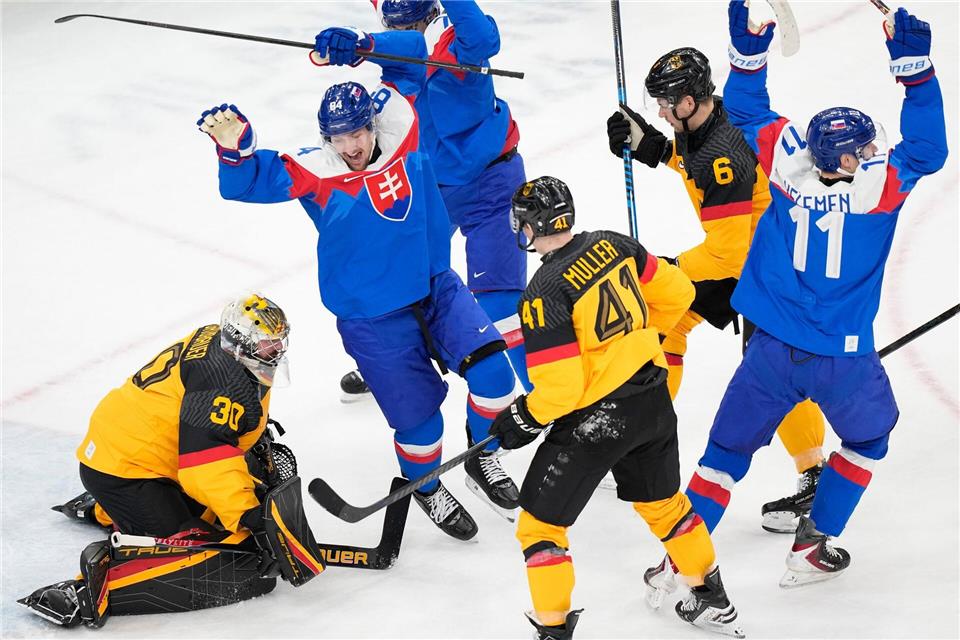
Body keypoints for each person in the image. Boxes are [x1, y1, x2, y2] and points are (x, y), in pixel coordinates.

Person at [200, 27, 521, 536]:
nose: (352, 145)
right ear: (326, 138)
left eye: (358, 131)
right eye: (340, 137)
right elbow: (244, 183)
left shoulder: (402, 127)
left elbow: (411, 53)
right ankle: (428, 488)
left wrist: (360, 45)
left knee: (497, 381)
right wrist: (234, 150)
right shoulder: (316, 170)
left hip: (436, 287)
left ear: (372, 123)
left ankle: (482, 458)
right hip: (374, 319)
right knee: (421, 427)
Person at [680, 1, 946, 587]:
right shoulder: (883, 187)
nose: (873, 152)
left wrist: (748, 51)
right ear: (850, 159)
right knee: (869, 440)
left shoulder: (786, 166)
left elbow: (746, 108)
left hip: (769, 349)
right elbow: (928, 149)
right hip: (841, 357)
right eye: (864, 148)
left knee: (722, 458)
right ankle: (813, 547)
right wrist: (915, 70)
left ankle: (677, 568)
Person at [488, 176, 744, 639]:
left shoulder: (544, 291)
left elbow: (562, 391)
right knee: (666, 507)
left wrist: (523, 418)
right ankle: (711, 598)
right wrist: (638, 343)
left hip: (597, 424)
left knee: (539, 528)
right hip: (653, 401)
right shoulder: (615, 244)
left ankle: (552, 630)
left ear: (528, 227)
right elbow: (680, 294)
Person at [606, 46, 827, 535]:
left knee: (772, 370)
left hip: (767, 269)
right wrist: (658, 150)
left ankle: (817, 476)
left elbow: (725, 255)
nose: (660, 112)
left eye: (666, 104)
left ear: (689, 101)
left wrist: (664, 268)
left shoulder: (720, 154)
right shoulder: (713, 119)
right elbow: (699, 166)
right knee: (666, 323)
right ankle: (642, 437)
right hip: (759, 254)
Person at [19, 294, 327, 628]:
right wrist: (250, 518)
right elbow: (204, 464)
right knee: (201, 546)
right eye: (269, 344)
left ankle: (107, 507)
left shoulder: (220, 341)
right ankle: (81, 591)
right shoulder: (222, 381)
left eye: (280, 340)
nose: (278, 350)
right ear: (241, 344)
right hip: (125, 469)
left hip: (136, 448)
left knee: (228, 504)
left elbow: (210, 424)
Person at [341, 0, 531, 408]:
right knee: (393, 276)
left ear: (430, 16)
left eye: (410, 23)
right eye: (394, 24)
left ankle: (550, 396)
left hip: (492, 181)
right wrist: (347, 45)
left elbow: (483, 37)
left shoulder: (459, 41)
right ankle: (394, 361)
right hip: (433, 186)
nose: (402, 29)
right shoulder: (398, 33)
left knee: (500, 302)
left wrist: (367, 44)